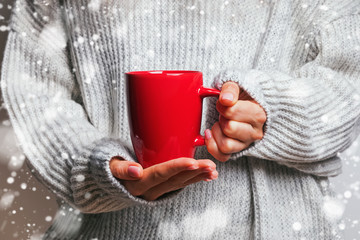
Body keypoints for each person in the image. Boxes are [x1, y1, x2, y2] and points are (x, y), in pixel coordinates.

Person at [1, 0, 359, 239]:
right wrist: (98, 170)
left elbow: (349, 80)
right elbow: (35, 89)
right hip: (106, 228)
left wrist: (275, 112)